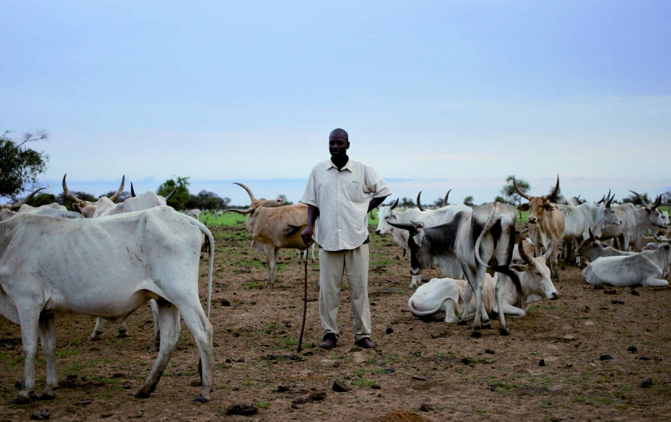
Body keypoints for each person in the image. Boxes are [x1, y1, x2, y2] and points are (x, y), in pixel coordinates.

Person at [301, 128, 391, 349]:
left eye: (340, 143)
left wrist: (364, 209)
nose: (335, 147)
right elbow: (312, 201)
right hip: (328, 239)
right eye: (332, 143)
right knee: (328, 291)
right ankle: (329, 334)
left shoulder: (362, 170)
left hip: (357, 238)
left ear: (348, 145)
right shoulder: (318, 171)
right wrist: (309, 226)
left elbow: (383, 190)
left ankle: (362, 335)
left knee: (359, 289)